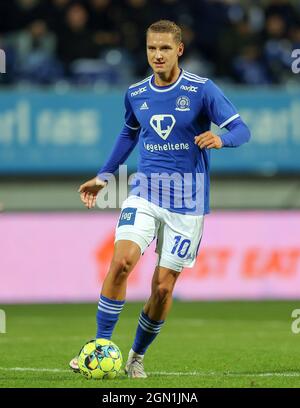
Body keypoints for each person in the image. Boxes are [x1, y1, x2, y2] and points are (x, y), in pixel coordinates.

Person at [69, 19, 251, 378]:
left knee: (163, 288)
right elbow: (127, 135)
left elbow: (241, 129)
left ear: (179, 50)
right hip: (146, 193)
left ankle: (136, 355)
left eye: (165, 48)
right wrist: (104, 177)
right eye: (152, 48)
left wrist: (221, 139)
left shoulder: (202, 90)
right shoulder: (136, 93)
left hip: (188, 202)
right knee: (121, 262)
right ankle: (100, 345)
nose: (157, 54)